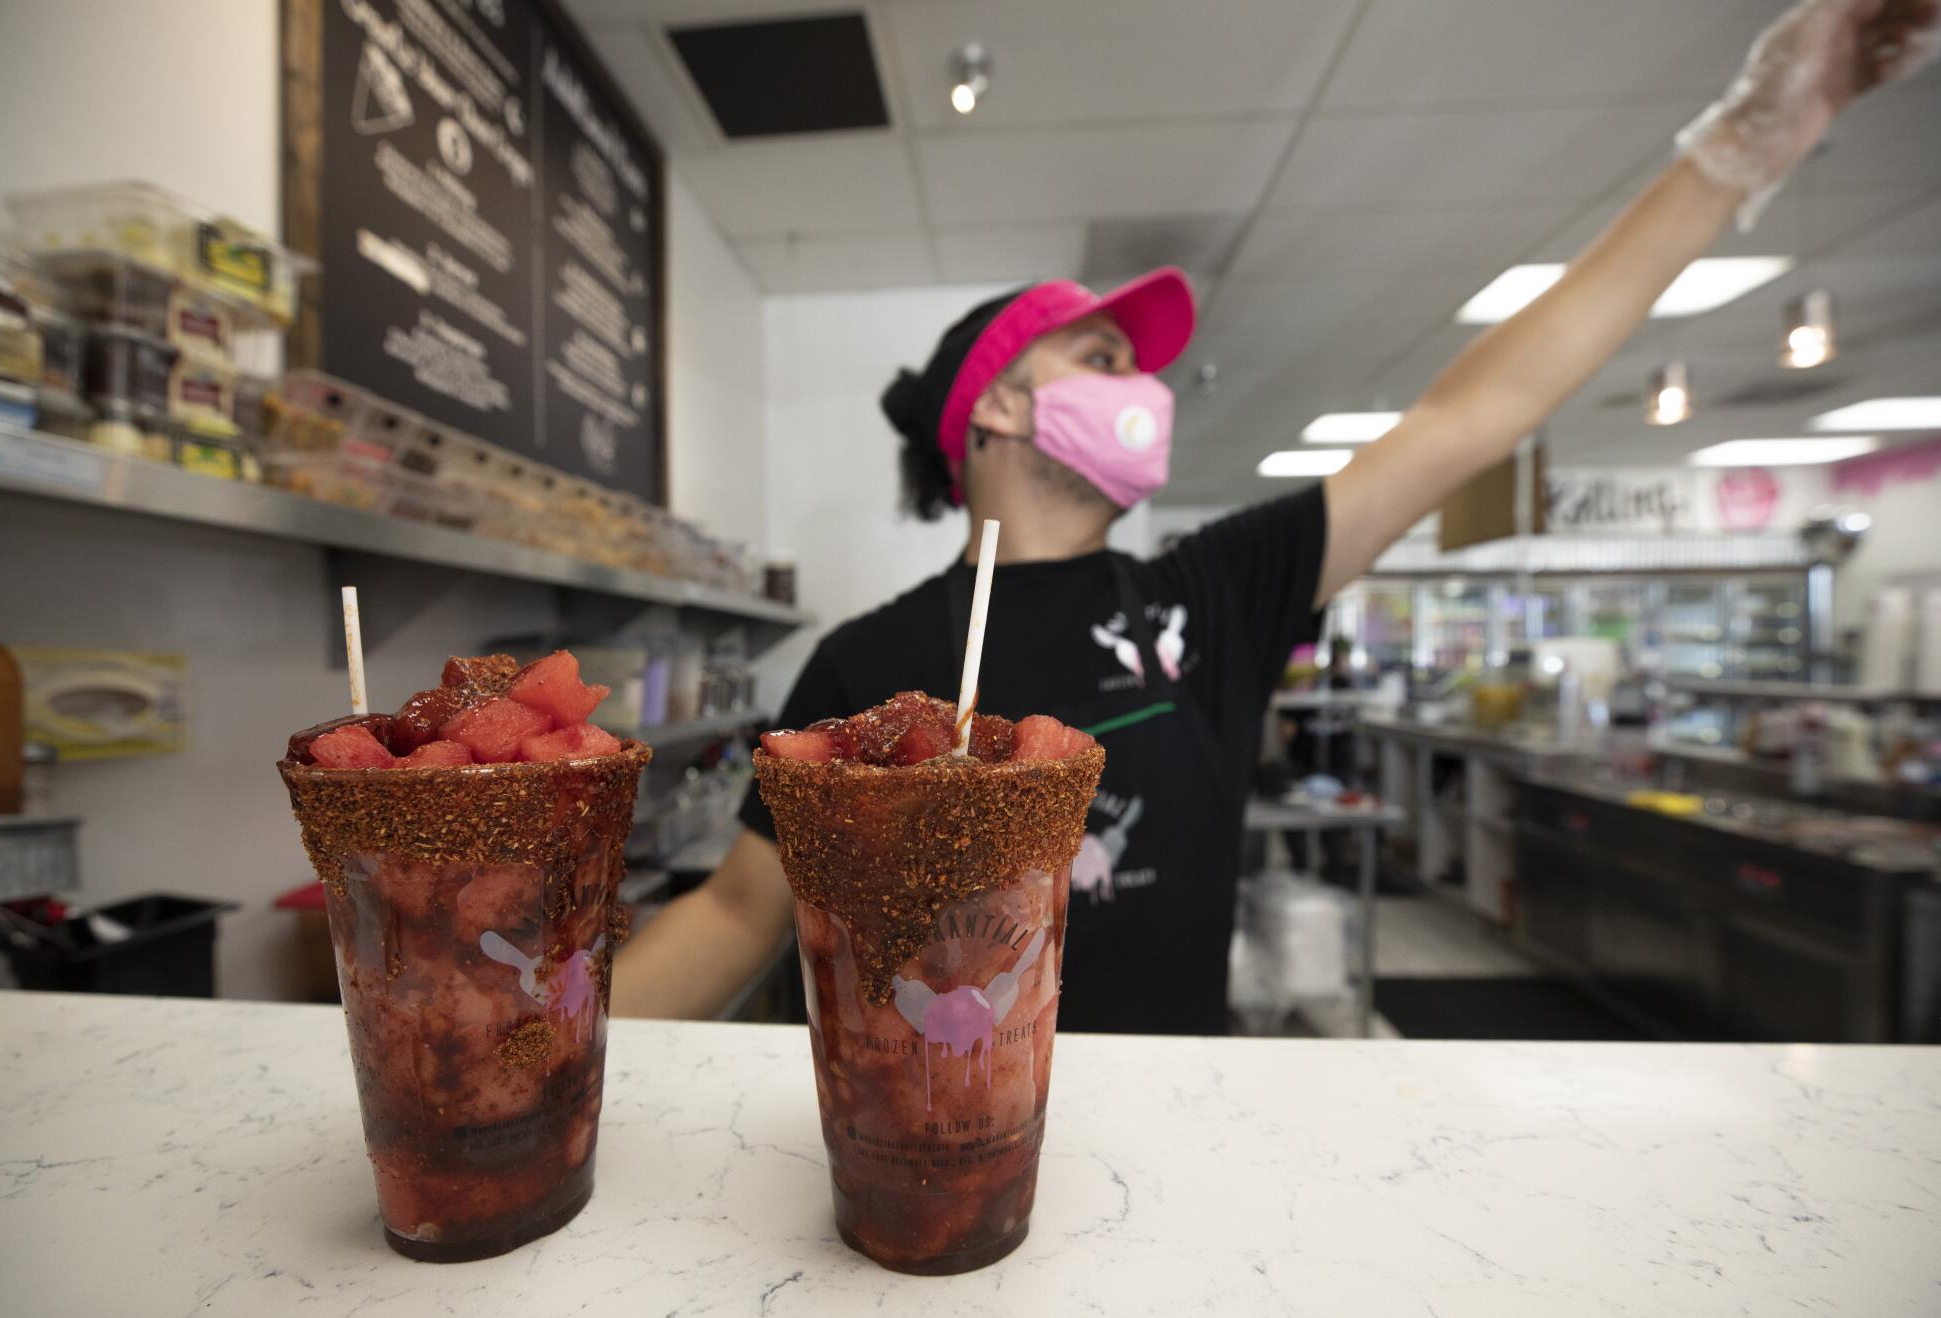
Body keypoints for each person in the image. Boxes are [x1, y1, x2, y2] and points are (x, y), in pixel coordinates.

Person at [612, 0, 1938, 1033]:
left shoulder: (1215, 594)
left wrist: (1747, 143)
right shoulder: (860, 665)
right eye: (1104, 361)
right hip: (935, 1160)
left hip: (1180, 1145)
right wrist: (535, 1046)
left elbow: (1471, 418)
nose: (1144, 386)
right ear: (1003, 407)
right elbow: (740, 909)